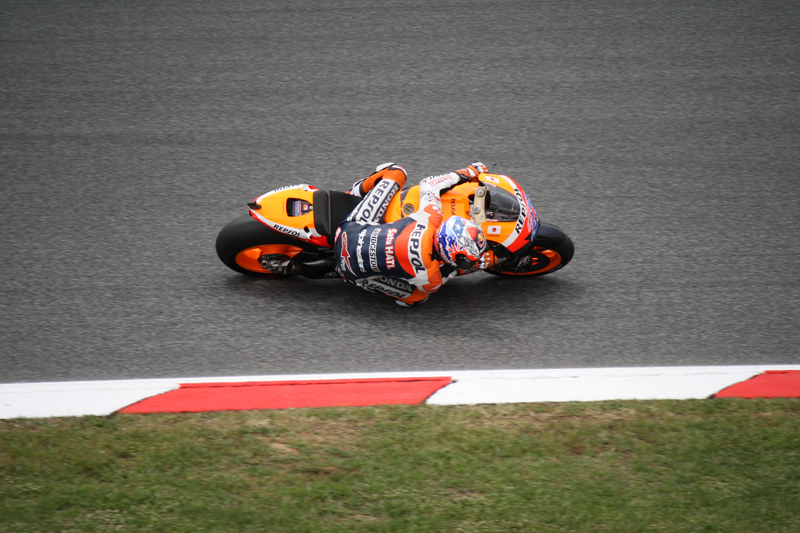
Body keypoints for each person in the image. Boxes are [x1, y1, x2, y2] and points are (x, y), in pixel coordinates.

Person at [334, 162, 489, 306]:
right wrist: (466, 266)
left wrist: (466, 173)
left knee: (396, 172)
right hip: (351, 270)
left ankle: (353, 194)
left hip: (348, 231)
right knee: (418, 298)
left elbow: (428, 184)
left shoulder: (430, 219)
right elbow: (450, 272)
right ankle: (357, 280)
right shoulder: (431, 278)